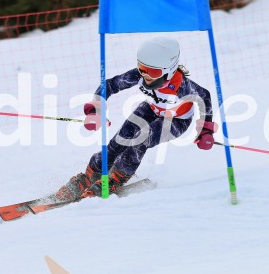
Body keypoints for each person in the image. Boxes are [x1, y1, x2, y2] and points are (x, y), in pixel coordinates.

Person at [57, 36, 217, 200]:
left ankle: (117, 178)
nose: (146, 75)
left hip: (176, 120)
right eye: (142, 68)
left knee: (140, 140)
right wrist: (96, 110)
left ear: (169, 70)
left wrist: (206, 129)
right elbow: (110, 85)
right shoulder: (139, 76)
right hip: (151, 108)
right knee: (121, 138)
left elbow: (205, 97)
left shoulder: (182, 86)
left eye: (153, 72)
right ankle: (91, 174)